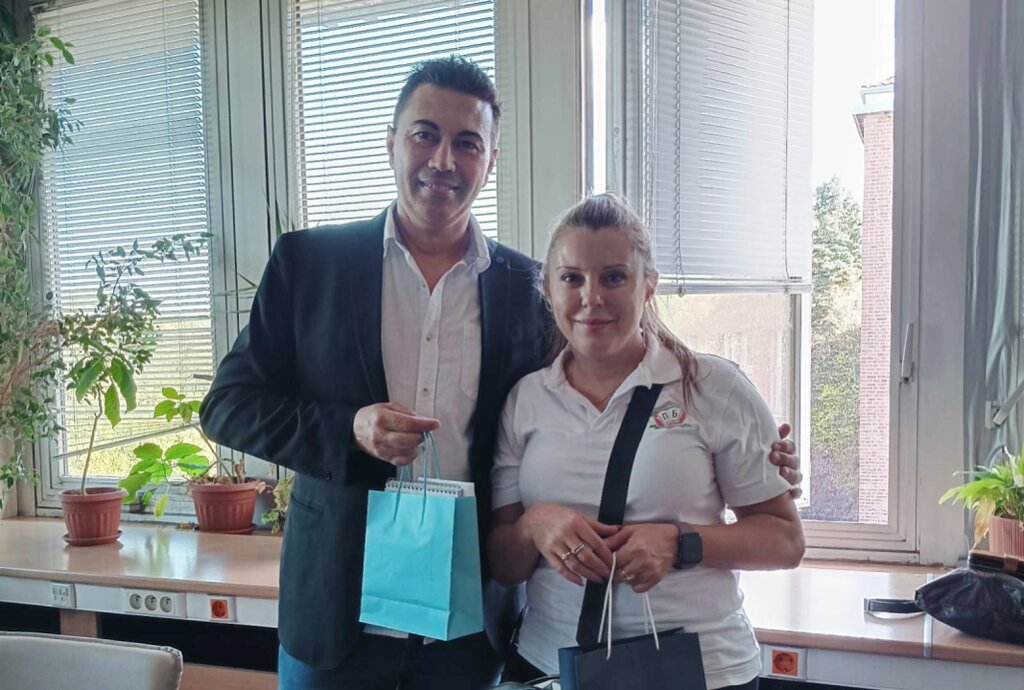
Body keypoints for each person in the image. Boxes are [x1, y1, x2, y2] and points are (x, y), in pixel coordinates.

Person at [200, 57, 802, 690]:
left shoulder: (528, 286)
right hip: (337, 613)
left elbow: (610, 375)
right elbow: (228, 407)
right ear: (391, 141)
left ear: (490, 160)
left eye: (467, 143)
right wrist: (348, 429)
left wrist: (757, 455)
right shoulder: (310, 264)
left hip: (471, 624)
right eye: (425, 134)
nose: (443, 160)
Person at [488, 193, 806, 690]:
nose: (592, 297)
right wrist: (534, 525)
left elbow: (785, 542)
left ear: (648, 285)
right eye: (572, 278)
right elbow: (505, 566)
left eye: (614, 277)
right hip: (551, 667)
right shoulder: (525, 400)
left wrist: (682, 544)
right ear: (547, 289)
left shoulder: (712, 387)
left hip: (700, 671)